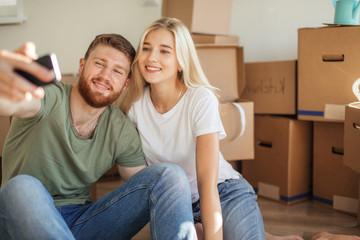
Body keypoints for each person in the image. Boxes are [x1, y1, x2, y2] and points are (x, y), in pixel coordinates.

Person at [0, 35, 197, 239]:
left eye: (117, 71)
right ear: (82, 65)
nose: (105, 75)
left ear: (125, 83)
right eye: (99, 64)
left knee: (170, 175)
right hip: (22, 219)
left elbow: (145, 184)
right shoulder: (48, 97)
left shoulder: (119, 128)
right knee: (21, 186)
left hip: (82, 222)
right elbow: (15, 103)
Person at [126, 17, 306, 240]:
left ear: (181, 61)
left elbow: (207, 184)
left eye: (164, 51)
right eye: (146, 48)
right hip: (178, 203)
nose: (151, 57)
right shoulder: (134, 106)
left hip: (223, 191)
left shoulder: (200, 99)